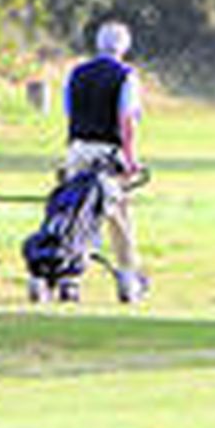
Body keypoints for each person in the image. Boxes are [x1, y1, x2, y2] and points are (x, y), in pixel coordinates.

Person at [60, 21, 149, 303]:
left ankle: (69, 277)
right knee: (118, 216)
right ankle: (127, 278)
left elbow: (69, 112)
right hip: (107, 154)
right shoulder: (126, 76)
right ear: (125, 47)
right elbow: (127, 121)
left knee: (76, 214)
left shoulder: (76, 73)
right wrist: (131, 159)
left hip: (77, 150)